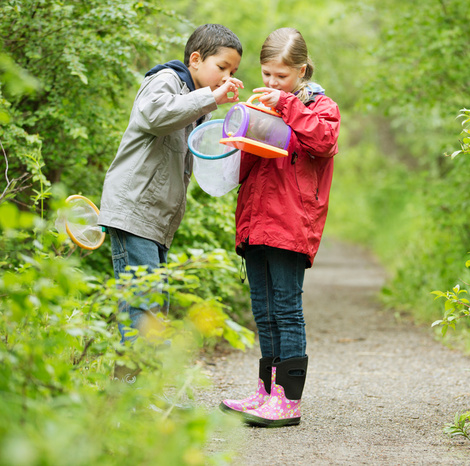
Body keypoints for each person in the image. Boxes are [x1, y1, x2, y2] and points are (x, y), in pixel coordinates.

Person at [97, 24, 244, 382]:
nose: (227, 77)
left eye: (233, 72)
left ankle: (137, 393)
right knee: (142, 307)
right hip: (134, 213)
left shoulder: (196, 104)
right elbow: (154, 116)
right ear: (195, 60)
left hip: (155, 222)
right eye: (221, 67)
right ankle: (129, 401)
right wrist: (212, 97)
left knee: (153, 310)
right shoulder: (165, 80)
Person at [219, 27, 340, 427]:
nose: (271, 83)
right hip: (255, 222)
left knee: (287, 310)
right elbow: (249, 166)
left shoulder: (320, 108)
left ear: (301, 71)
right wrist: (235, 137)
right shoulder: (265, 105)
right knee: (264, 311)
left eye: (281, 76)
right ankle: (266, 391)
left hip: (291, 224)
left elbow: (322, 142)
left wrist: (286, 104)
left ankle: (288, 400)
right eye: (267, 74)